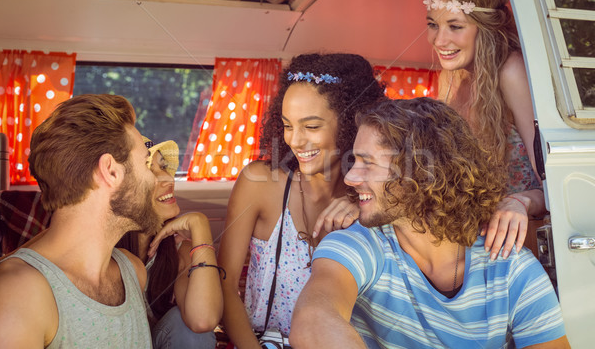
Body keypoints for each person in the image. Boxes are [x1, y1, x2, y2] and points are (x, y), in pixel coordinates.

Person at [290, 98, 569, 348]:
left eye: (367, 163)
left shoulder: (510, 267)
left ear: (422, 173)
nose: (350, 178)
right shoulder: (357, 244)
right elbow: (313, 320)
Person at [217, 53, 385, 348]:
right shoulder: (259, 184)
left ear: (349, 124)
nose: (295, 140)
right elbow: (225, 284)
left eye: (311, 126)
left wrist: (362, 206)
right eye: (288, 125)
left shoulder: (372, 199)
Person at [0, 94, 158, 348]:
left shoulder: (133, 271)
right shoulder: (20, 294)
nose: (156, 179)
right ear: (111, 171)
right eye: (146, 162)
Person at [423, 0, 546, 260]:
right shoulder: (447, 78)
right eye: (432, 24)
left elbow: (550, 180)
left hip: (515, 245)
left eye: (455, 26)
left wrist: (521, 201)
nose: (440, 40)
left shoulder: (510, 72)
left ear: (486, 27)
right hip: (463, 243)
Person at [117, 137, 222, 348]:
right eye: (151, 172)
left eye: (164, 167)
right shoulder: (103, 251)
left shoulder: (178, 250)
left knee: (189, 329)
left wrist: (199, 224)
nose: (168, 179)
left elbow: (203, 320)